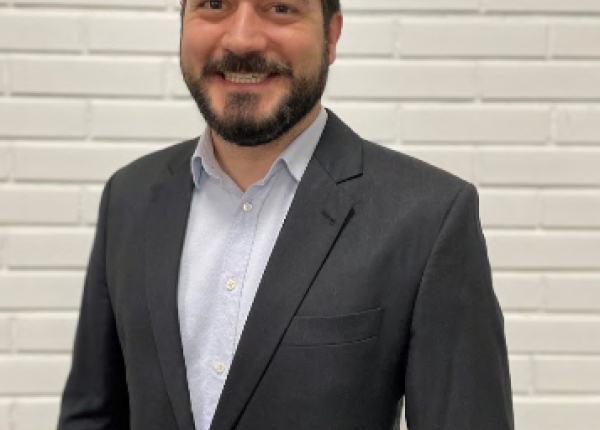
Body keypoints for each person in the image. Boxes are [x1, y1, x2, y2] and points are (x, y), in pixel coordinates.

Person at [57, 0, 514, 429]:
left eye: (280, 7)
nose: (241, 40)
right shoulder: (129, 198)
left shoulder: (428, 218)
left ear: (331, 36)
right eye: (214, 4)